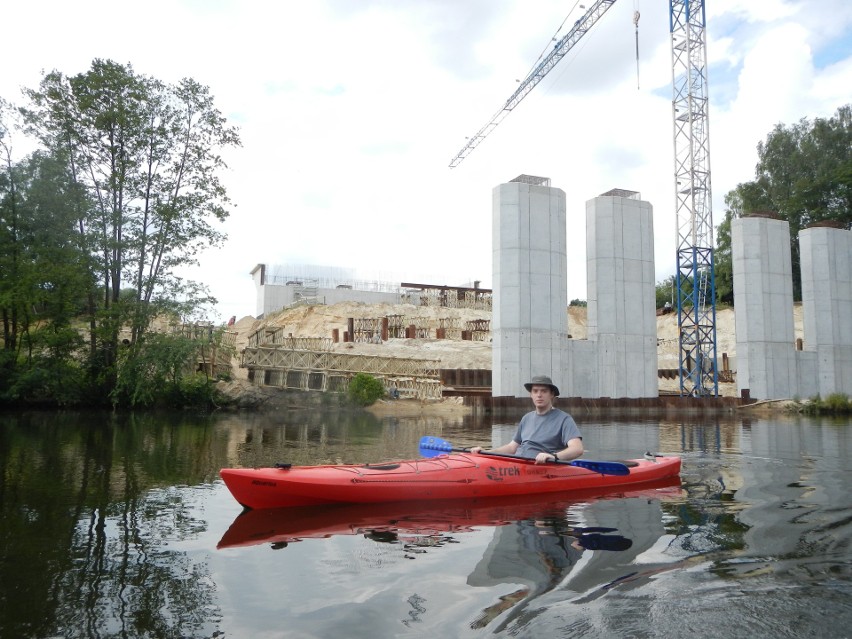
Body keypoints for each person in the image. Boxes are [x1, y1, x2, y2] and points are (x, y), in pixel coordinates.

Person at [470, 375, 583, 465]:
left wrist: (554, 456)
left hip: (542, 467)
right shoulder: (526, 418)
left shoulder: (564, 419)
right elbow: (511, 448)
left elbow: (577, 449)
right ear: (531, 395)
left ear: (551, 395)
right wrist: (485, 452)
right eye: (535, 391)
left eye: (544, 391)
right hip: (517, 463)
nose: (539, 395)